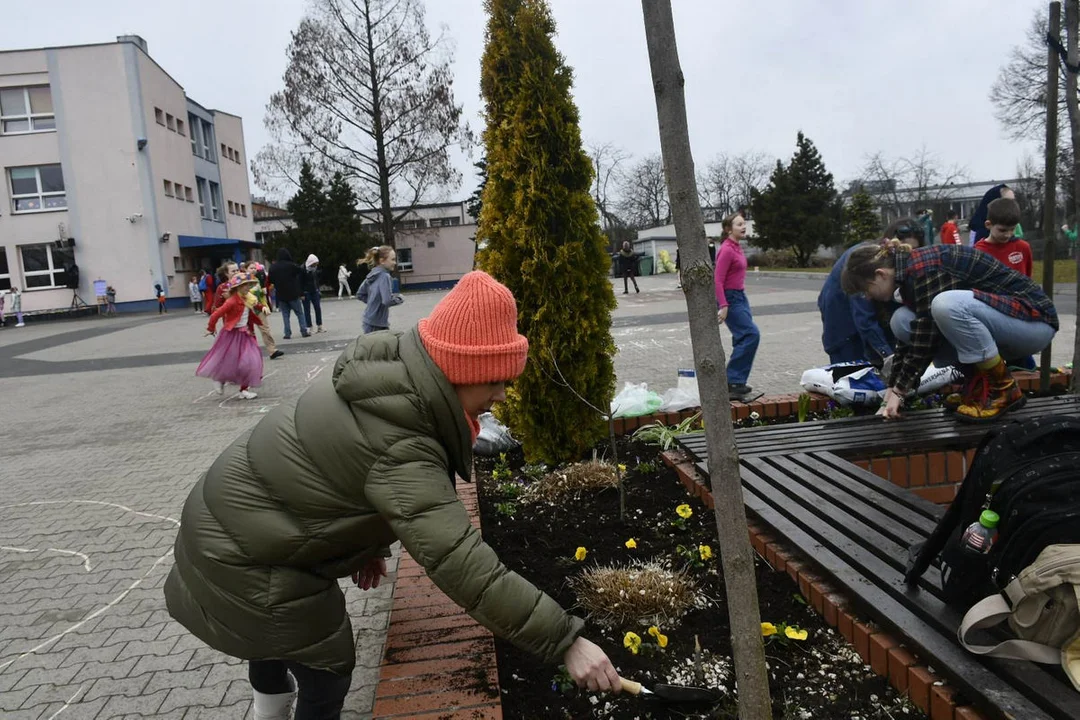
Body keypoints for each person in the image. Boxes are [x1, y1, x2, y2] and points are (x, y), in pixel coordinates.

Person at [164, 271, 621, 720]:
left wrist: (366, 544)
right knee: (324, 666)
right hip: (240, 556)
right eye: (494, 379)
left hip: (226, 529)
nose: (502, 394)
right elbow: (460, 562)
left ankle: (269, 711)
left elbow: (337, 473)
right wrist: (566, 641)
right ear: (460, 370)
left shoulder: (392, 380)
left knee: (272, 627)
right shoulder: (404, 441)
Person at [841, 241, 1057, 423]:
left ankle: (1003, 390)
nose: (867, 298)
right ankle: (977, 386)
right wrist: (892, 389)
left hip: (1034, 322)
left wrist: (900, 391)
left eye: (865, 290)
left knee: (946, 304)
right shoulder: (907, 277)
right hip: (1006, 325)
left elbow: (925, 340)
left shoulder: (923, 270)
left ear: (880, 274)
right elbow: (914, 340)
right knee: (902, 320)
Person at [818, 218, 922, 365]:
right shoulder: (863, 265)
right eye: (904, 248)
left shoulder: (893, 272)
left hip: (872, 322)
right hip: (843, 326)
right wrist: (887, 356)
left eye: (914, 250)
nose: (908, 256)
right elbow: (864, 319)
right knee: (854, 375)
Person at [196, 273, 265, 400]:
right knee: (229, 361)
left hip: (245, 334)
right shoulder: (232, 301)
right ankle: (219, 379)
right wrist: (211, 328)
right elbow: (215, 314)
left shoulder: (247, 298)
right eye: (244, 285)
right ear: (237, 287)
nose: (247, 288)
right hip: (231, 335)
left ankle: (244, 390)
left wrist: (263, 308)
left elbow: (255, 305)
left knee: (250, 361)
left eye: (248, 285)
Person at [714, 213, 759, 401]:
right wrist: (724, 305)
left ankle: (737, 383)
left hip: (740, 296)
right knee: (751, 335)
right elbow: (717, 280)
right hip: (730, 299)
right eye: (739, 224)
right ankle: (732, 380)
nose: (743, 226)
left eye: (744, 223)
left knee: (743, 337)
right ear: (728, 229)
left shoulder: (737, 247)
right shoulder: (726, 250)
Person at [974, 198, 1033, 277]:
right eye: (1002, 230)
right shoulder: (979, 252)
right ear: (988, 225)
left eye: (1012, 229)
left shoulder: (1023, 247)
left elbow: (1028, 280)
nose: (1008, 235)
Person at [357, 245, 404, 334]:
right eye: (392, 259)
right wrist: (400, 298)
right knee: (384, 347)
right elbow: (387, 300)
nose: (395, 263)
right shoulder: (385, 276)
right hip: (378, 324)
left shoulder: (372, 274)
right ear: (382, 261)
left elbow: (360, 294)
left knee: (373, 346)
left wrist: (373, 302)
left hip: (368, 321)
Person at [244, 262, 284, 360]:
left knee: (265, 329)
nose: (253, 270)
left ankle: (272, 350)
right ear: (246, 269)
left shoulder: (257, 279)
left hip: (259, 308)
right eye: (251, 268)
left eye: (254, 268)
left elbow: (261, 296)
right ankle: (251, 353)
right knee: (249, 332)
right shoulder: (243, 280)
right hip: (248, 309)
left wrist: (265, 304)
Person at [268, 249, 309, 340]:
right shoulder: (291, 265)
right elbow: (301, 272)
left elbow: (271, 280)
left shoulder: (273, 267)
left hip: (281, 294)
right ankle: (304, 331)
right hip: (293, 293)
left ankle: (287, 333)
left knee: (285, 315)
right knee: (299, 313)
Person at [302, 254, 325, 334]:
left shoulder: (314, 269)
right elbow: (299, 282)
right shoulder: (303, 269)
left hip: (314, 291)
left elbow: (316, 280)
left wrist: (318, 289)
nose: (316, 266)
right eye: (315, 264)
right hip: (306, 292)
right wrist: (301, 293)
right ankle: (309, 326)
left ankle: (319, 326)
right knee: (307, 310)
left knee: (317, 308)